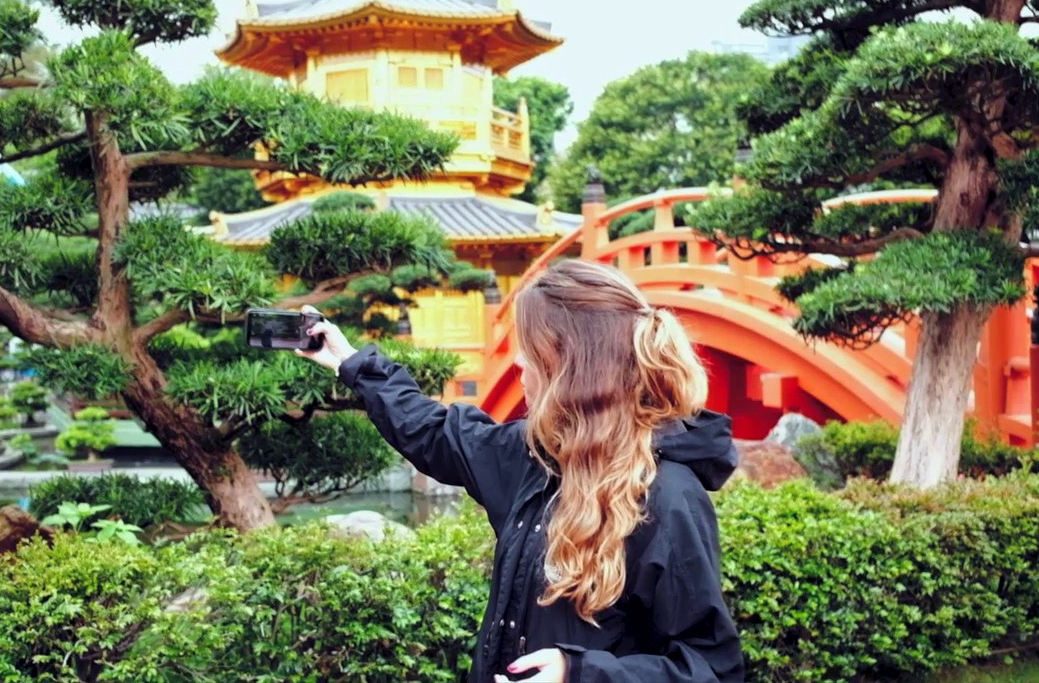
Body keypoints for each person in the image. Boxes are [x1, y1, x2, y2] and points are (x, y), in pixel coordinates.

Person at [296, 259, 744, 683]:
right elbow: (435, 433)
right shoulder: (537, 455)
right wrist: (352, 363)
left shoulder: (668, 497)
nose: (518, 363)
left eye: (530, 351)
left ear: (573, 368)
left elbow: (711, 667)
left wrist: (579, 672)